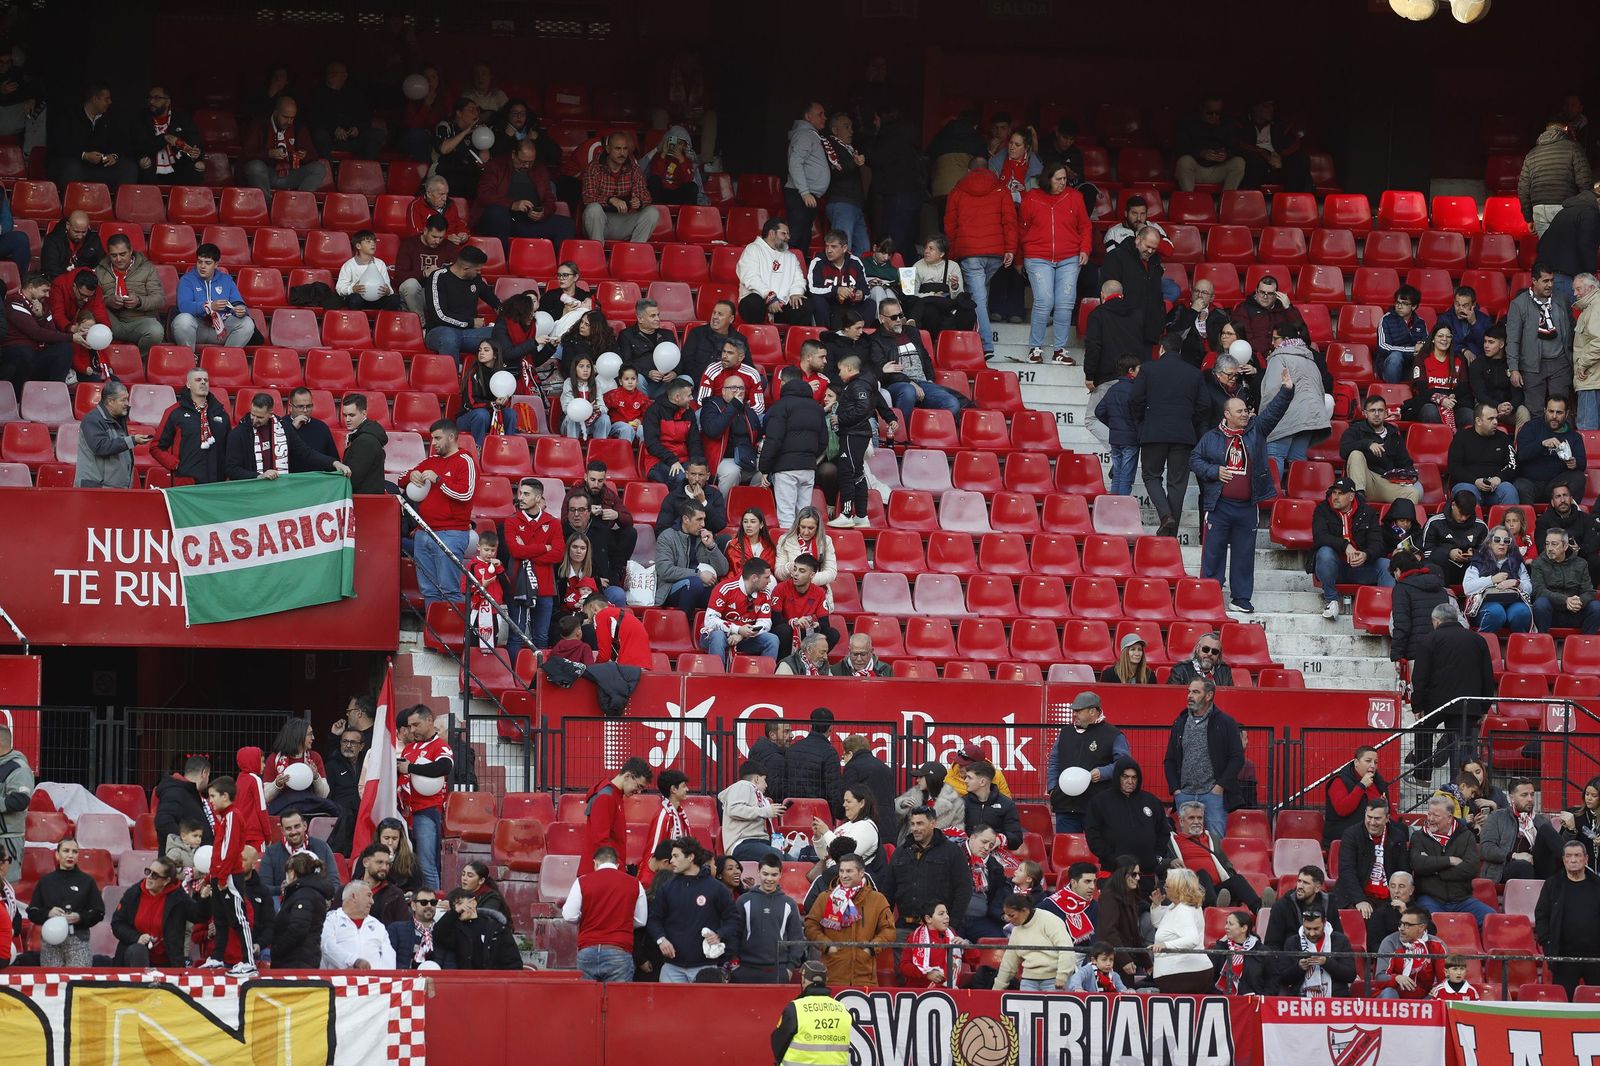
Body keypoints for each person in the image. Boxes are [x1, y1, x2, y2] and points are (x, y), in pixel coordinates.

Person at [1189, 366, 1294, 613]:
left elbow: (1274, 412)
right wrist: (1214, 471)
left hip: (1247, 506)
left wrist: (1287, 390)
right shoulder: (1212, 436)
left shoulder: (1257, 429)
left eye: (1246, 410)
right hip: (1219, 505)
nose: (1245, 414)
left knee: (1244, 554)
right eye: (1240, 411)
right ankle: (1210, 597)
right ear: (1227, 414)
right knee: (1213, 554)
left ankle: (1241, 598)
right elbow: (1194, 460)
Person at [945, 158, 1020, 359]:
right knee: (980, 294)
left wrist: (951, 255)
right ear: (989, 169)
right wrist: (1010, 249)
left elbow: (950, 225)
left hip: (969, 252)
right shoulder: (1001, 189)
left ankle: (985, 344)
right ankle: (978, 334)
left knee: (978, 296)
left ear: (970, 170)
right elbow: (1010, 222)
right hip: (996, 253)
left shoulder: (958, 190)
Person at [1130, 337, 1204, 537]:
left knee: (1151, 476)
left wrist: (1142, 422)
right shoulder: (1194, 373)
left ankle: (1165, 516)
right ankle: (1170, 534)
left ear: (1161, 349)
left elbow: (1135, 399)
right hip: (1183, 434)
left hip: (1154, 432)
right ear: (1179, 350)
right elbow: (1203, 406)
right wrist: (1189, 422)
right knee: (1177, 484)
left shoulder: (1148, 369)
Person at [1019, 161, 1092, 364]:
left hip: (1069, 257)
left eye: (1065, 179)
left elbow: (1085, 226)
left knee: (1065, 303)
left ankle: (1060, 351)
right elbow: (1021, 230)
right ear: (1047, 179)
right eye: (1058, 179)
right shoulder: (1031, 197)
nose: (1062, 183)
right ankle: (1035, 348)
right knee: (1044, 301)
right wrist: (1019, 257)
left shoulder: (1075, 197)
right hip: (1037, 256)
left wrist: (1085, 249)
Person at [1408, 602, 1495, 773]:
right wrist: (1484, 706)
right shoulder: (1478, 640)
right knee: (1462, 747)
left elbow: (1419, 676)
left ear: (1436, 621)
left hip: (1434, 703)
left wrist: (1417, 705)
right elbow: (1487, 676)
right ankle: (1461, 783)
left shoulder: (1428, 639)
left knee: (1423, 732)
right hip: (1466, 704)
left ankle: (1422, 774)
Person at [403, 420, 478, 611]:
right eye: (432, 439)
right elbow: (402, 478)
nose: (434, 443)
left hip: (451, 533)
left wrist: (439, 480)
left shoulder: (465, 460)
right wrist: (412, 475)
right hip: (424, 532)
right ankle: (433, 629)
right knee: (429, 591)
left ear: (451, 437)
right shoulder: (431, 461)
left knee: (449, 591)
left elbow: (465, 494)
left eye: (437, 438)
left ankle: (453, 629)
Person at [1162, 678, 1245, 838]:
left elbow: (1237, 758)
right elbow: (1169, 759)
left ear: (1208, 695)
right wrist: (1176, 790)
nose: (1189, 696)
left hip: (1213, 795)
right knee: (1187, 843)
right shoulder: (1180, 722)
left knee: (1215, 842)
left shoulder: (1226, 722)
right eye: (1189, 691)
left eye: (1195, 692)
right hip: (1184, 794)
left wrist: (1219, 787)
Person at [648, 837, 737, 982]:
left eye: (676, 856)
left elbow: (733, 919)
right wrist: (661, 939)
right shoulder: (667, 888)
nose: (671, 860)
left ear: (690, 857)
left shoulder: (716, 888)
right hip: (672, 967)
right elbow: (654, 919)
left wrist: (719, 934)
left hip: (705, 968)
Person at [560, 844, 648, 982]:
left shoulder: (582, 881)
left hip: (588, 949)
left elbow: (569, 915)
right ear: (617, 864)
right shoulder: (634, 883)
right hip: (619, 951)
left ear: (595, 862)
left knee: (587, 995)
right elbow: (641, 921)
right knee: (617, 996)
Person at [1045, 692, 1130, 834]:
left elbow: (1124, 764)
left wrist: (1102, 773)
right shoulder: (1065, 732)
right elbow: (1054, 761)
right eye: (1074, 711)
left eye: (1078, 711)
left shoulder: (1113, 735)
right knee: (1066, 847)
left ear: (1092, 711)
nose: (1074, 714)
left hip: (1098, 807)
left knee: (1099, 847)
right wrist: (1053, 788)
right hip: (1065, 806)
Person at [882, 807, 972, 937]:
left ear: (932, 823)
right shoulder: (900, 852)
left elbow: (964, 890)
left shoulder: (952, 852)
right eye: (912, 824)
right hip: (904, 929)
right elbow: (888, 891)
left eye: (920, 823)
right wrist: (885, 925)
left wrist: (952, 926)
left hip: (939, 930)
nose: (915, 828)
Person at [1334, 800, 1413, 947]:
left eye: (1377, 818)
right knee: (1366, 918)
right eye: (1369, 817)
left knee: (1401, 918)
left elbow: (1403, 870)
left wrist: (1401, 898)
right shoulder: (1352, 834)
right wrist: (1359, 900)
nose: (1372, 822)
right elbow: (1346, 870)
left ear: (1387, 818)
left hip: (1388, 896)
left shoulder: (1398, 836)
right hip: (1360, 895)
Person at [475, 135, 574, 251]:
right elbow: (484, 195)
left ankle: (559, 261)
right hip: (503, 219)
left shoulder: (540, 170)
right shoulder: (497, 166)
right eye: (523, 162)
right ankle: (502, 257)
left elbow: (549, 200)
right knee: (497, 213)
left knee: (567, 224)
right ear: (514, 155)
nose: (527, 166)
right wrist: (512, 205)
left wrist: (543, 212)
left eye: (531, 162)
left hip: (528, 221)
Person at [1262, 327, 1332, 488]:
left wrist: (1265, 419)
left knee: (1274, 455)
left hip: (1286, 415)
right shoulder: (1309, 358)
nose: (1272, 343)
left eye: (1275, 338)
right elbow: (1320, 389)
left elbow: (1272, 391)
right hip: (1310, 417)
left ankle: (1271, 496)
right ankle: (1301, 496)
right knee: (1298, 458)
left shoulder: (1279, 357)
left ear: (1286, 339)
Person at [1311, 477, 1389, 620]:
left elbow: (1378, 543)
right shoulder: (1322, 509)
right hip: (1335, 568)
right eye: (1334, 493)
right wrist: (1345, 545)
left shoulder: (1367, 512)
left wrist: (1366, 555)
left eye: (1340, 493)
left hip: (1361, 567)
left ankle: (1387, 609)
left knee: (1386, 565)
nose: (1335, 497)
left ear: (1351, 496)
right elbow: (1319, 537)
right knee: (1324, 553)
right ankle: (1331, 601)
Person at [830, 355, 894, 528]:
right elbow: (874, 404)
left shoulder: (858, 385)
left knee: (847, 473)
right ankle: (861, 515)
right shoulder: (863, 383)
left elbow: (863, 408)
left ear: (849, 368)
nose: (839, 373)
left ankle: (846, 514)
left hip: (853, 434)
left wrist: (840, 419)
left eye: (840, 369)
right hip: (857, 433)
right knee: (858, 474)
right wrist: (890, 417)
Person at [1411, 794, 1495, 926]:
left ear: (1449, 818)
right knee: (1431, 923)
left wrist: (1438, 871)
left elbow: (1472, 868)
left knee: (1493, 919)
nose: (1430, 819)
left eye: (1436, 816)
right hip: (1430, 898)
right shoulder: (1418, 837)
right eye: (1429, 814)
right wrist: (1449, 861)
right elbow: (1418, 864)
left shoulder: (1466, 836)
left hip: (1462, 900)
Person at [225, 393, 346, 482]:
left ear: (270, 413)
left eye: (260, 417)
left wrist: (333, 462)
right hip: (252, 492)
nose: (255, 420)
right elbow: (231, 469)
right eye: (253, 415)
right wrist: (258, 476)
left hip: (279, 489)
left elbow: (305, 452)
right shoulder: (238, 434)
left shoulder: (283, 427)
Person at [1164, 800, 1262, 909]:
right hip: (1189, 890)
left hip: (1217, 890)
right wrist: (1169, 862)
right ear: (1181, 821)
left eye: (1200, 818)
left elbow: (1225, 863)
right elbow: (1159, 863)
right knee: (1202, 874)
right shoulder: (1171, 841)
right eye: (1191, 818)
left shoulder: (1212, 839)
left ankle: (1260, 909)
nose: (1196, 821)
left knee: (1237, 879)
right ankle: (1214, 908)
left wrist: (1230, 874)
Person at [761, 371, 827, 530]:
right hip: (808, 468)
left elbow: (773, 440)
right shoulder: (817, 408)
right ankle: (803, 546)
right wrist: (809, 456)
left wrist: (764, 468)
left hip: (786, 469)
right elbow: (823, 441)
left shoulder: (780, 406)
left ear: (784, 385)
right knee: (804, 518)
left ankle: (788, 546)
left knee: (786, 517)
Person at [1508, 265, 1575, 417]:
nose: (1550, 284)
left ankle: (1561, 434)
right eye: (1545, 281)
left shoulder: (1561, 298)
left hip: (1560, 363)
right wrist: (1514, 369)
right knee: (1535, 412)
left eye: (1552, 280)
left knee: (1559, 410)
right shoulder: (1518, 304)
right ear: (1534, 281)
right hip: (1532, 365)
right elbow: (1512, 340)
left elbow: (1572, 327)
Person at [396, 705, 451, 890]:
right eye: (410, 726)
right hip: (405, 813)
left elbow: (444, 767)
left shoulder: (440, 746)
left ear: (429, 721)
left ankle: (432, 903)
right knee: (406, 865)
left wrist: (411, 768)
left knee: (426, 866)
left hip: (426, 811)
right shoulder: (409, 748)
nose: (412, 730)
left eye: (416, 725)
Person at [1535, 839, 1600, 996]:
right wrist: (1547, 944)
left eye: (1577, 855)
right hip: (1563, 957)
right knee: (1564, 1001)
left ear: (1586, 859)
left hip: (1596, 957)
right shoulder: (1552, 885)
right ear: (1564, 860)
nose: (1573, 860)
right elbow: (1541, 915)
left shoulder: (1598, 885)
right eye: (1569, 856)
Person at [731, 855, 806, 983]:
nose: (769, 879)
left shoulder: (789, 904)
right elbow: (734, 934)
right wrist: (735, 964)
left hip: (779, 971)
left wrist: (789, 968)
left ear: (780, 875)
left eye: (774, 875)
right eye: (765, 874)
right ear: (758, 872)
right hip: (745, 969)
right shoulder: (743, 901)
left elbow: (797, 939)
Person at [27, 839, 103, 967]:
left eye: (74, 852)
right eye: (66, 851)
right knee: (52, 979)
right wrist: (48, 913)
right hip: (51, 943)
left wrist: (79, 917)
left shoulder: (87, 881)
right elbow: (32, 911)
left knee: (78, 978)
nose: (70, 855)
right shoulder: (46, 881)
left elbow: (99, 912)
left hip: (78, 941)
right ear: (57, 854)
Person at [1085, 759, 1169, 875]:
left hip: (1147, 870)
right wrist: (1111, 858)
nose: (1130, 781)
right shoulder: (1100, 801)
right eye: (1125, 777)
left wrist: (1156, 856)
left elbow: (1163, 832)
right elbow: (1093, 835)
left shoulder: (1152, 801)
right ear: (1117, 777)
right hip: (1114, 871)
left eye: (1134, 777)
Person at [50, 82, 135, 191]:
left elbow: (121, 142)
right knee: (72, 167)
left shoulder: (110, 118)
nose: (110, 102)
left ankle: (118, 201)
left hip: (100, 167)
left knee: (128, 168)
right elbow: (59, 145)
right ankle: (71, 200)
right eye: (106, 99)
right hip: (76, 164)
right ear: (95, 99)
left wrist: (114, 156)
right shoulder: (70, 116)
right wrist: (84, 155)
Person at [1341, 394, 1424, 505]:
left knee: (1413, 493)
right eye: (1372, 410)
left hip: (1385, 482)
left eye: (1380, 410)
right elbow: (1343, 450)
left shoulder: (1394, 434)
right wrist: (1367, 444)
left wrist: (1410, 476)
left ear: (1386, 413)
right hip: (1365, 481)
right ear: (1365, 413)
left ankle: (1397, 516)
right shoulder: (1355, 429)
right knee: (1356, 454)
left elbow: (1405, 462)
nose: (1376, 414)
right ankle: (1359, 499)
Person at [242, 95, 326, 203]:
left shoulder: (298, 126)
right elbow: (246, 154)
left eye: (292, 118)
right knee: (255, 167)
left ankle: (296, 204)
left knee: (319, 169)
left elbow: (313, 155)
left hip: (290, 173)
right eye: (285, 117)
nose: (289, 122)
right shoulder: (260, 125)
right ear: (276, 113)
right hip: (267, 174)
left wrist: (305, 155)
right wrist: (268, 154)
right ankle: (266, 205)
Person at [171, 243, 255, 351]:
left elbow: (238, 303)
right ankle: (189, 357)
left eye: (208, 263)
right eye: (199, 262)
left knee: (247, 323)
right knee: (183, 320)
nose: (202, 266)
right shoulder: (187, 280)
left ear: (216, 264)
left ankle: (226, 358)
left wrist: (241, 310)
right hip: (197, 329)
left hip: (220, 330)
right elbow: (184, 306)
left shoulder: (226, 280)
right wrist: (209, 306)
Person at [580, 132, 659, 244]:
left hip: (623, 221)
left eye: (625, 149)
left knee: (652, 212)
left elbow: (646, 197)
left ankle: (633, 250)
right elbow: (588, 198)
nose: (622, 153)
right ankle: (597, 251)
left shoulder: (633, 168)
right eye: (617, 149)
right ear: (608, 149)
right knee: (593, 209)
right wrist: (610, 199)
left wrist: (639, 201)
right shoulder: (594, 167)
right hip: (599, 223)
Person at [771, 959, 854, 1064]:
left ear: (803, 980)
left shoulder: (795, 1008)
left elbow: (778, 1043)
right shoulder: (843, 1010)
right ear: (826, 981)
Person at [1481, 777, 1562, 883]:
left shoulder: (1540, 820)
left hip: (1538, 866)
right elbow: (1486, 849)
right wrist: (1515, 856)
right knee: (1523, 866)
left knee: (1546, 829)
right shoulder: (1497, 817)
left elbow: (1555, 847)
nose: (1530, 799)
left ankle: (1574, 862)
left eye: (1532, 794)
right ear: (1511, 798)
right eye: (1524, 795)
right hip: (1507, 867)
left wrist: (1570, 831)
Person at [1520, 118, 1593, 236]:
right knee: (1568, 246)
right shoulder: (1573, 148)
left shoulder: (1531, 154)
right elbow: (1584, 181)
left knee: (1547, 247)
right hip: (1565, 207)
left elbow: (1523, 188)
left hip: (1539, 210)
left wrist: (1529, 218)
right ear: (1566, 129)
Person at [424, 245, 500, 357]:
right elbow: (439, 315)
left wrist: (501, 309)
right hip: (440, 331)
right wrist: (471, 322)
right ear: (465, 268)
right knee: (449, 337)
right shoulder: (438, 277)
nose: (479, 273)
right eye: (477, 270)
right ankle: (452, 369)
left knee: (502, 333)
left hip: (469, 333)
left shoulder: (475, 278)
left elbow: (490, 297)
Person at [95, 233, 166, 353]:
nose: (118, 259)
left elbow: (159, 299)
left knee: (155, 331)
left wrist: (139, 301)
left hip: (139, 320)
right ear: (108, 254)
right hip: (111, 321)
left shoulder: (147, 268)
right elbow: (92, 300)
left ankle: (138, 359)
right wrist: (108, 301)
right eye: (113, 255)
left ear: (131, 251)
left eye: (122, 254)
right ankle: (99, 359)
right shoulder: (100, 270)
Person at [1516, 396, 1588, 508]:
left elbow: (1582, 463)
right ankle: (1529, 519)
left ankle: (1562, 516)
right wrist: (1542, 444)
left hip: (1556, 486)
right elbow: (1521, 455)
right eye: (1551, 411)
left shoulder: (1574, 436)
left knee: (1579, 477)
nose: (1554, 416)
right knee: (1520, 485)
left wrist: (1575, 463)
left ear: (1567, 414)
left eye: (1559, 412)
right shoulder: (1530, 427)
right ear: (1545, 411)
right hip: (1530, 482)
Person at [1150, 868, 1212, 993]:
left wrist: (1165, 945)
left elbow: (1192, 939)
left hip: (1184, 974)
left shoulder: (1184, 910)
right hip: (1183, 971)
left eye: (1167, 886)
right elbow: (1159, 924)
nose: (1164, 888)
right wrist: (1156, 905)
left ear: (1177, 888)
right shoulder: (1177, 906)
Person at [73, 380, 145, 489]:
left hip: (112, 488)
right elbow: (101, 447)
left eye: (127, 399)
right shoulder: (92, 420)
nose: (127, 403)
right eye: (123, 400)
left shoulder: (118, 418)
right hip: (96, 489)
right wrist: (132, 440)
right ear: (110, 401)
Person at [1463, 525, 1534, 634]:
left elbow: (1529, 588)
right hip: (1485, 603)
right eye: (1497, 540)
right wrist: (1491, 580)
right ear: (1489, 542)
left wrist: (1516, 583)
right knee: (1496, 612)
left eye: (1506, 540)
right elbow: (1468, 588)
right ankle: (1484, 642)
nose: (1502, 543)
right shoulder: (1478, 560)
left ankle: (1518, 642)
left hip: (1513, 602)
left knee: (1522, 612)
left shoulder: (1517, 562)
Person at [1274, 907, 1355, 998]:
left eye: (1316, 929)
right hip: (1301, 998)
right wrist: (1299, 968)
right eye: (1308, 928)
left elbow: (1350, 975)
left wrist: (1327, 962)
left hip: (1335, 998)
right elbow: (1282, 978)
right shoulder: (1292, 942)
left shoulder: (1340, 940)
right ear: (1303, 923)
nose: (1312, 933)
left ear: (1324, 922)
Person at [273, 853, 336, 969]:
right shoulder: (308, 892)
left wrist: (278, 948)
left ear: (292, 872)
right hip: (303, 959)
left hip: (295, 962)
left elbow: (298, 928)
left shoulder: (304, 895)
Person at [583, 756, 653, 860]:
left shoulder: (615, 795)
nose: (638, 791)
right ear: (628, 776)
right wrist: (615, 867)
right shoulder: (606, 797)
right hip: (603, 867)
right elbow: (601, 842)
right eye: (639, 786)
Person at [260, 810, 340, 900]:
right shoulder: (271, 852)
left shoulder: (322, 847)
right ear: (282, 831)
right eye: (288, 828)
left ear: (305, 826)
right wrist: (281, 889)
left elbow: (334, 882)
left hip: (317, 901)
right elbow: (263, 887)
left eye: (297, 826)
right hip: (284, 903)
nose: (293, 832)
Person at [643, 377, 706, 491]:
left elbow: (694, 442)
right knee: (681, 479)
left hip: (683, 461)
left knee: (700, 478)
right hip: (658, 461)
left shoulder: (689, 412)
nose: (692, 398)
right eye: (689, 396)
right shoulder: (654, 411)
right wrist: (672, 460)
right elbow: (652, 444)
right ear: (677, 397)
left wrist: (696, 464)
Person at [1532, 528, 1600, 633]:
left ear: (1565, 546)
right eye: (1547, 544)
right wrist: (1565, 600)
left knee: (1596, 607)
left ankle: (1585, 641)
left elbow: (1589, 592)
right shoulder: (1538, 564)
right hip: (1551, 613)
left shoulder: (1581, 564)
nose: (1549, 548)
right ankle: (1543, 639)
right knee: (1541, 603)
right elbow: (1538, 591)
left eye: (1554, 544)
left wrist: (1579, 601)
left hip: (1575, 611)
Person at [136, 85, 206, 186]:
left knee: (199, 165)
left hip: (178, 164)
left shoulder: (182, 118)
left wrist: (196, 152)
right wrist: (165, 138)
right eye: (150, 98)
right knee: (143, 162)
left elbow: (195, 143)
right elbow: (140, 147)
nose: (151, 101)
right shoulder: (141, 118)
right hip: (152, 163)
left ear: (168, 101)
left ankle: (188, 196)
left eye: (157, 98)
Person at [320, 881, 396, 969]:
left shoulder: (378, 925)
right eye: (369, 896)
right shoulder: (331, 920)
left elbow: (389, 956)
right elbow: (327, 946)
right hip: (339, 977)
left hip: (373, 977)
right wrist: (353, 962)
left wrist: (385, 976)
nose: (372, 901)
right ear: (354, 896)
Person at [1095, 355, 1143, 497]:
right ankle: (1122, 507)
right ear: (1131, 371)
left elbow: (1099, 411)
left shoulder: (1113, 389)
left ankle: (1113, 505)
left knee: (1117, 475)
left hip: (1115, 438)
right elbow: (1138, 415)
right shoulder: (1135, 390)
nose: (1140, 371)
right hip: (1130, 438)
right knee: (1126, 477)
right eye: (1138, 369)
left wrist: (1113, 424)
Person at [1175, 97, 1245, 191]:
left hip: (1219, 170)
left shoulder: (1227, 124)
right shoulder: (1189, 123)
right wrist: (1201, 153)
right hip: (1196, 169)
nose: (1214, 116)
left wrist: (1226, 154)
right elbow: (1181, 148)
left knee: (1239, 162)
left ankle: (1227, 198)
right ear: (1202, 109)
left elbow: (1236, 148)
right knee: (1184, 161)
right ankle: (1189, 198)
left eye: (1217, 113)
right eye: (1210, 113)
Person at [1324, 747, 1390, 845]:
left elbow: (1390, 810)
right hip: (1344, 837)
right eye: (1368, 761)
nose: (1373, 765)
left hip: (1374, 835)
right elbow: (1342, 809)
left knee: (1401, 831)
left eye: (1375, 762)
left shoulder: (1378, 782)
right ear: (1356, 762)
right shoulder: (1339, 781)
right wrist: (1361, 786)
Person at [1232, 273, 1306, 358]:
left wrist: (1288, 308)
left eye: (1270, 293)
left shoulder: (1283, 308)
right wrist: (1266, 353)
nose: (1265, 296)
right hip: (1253, 356)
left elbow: (1301, 332)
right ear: (1256, 291)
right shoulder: (1244, 308)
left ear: (1276, 295)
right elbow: (1243, 337)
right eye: (1262, 292)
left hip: (1283, 355)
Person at [806, 228, 868, 329]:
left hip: (850, 305)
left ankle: (859, 333)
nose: (829, 250)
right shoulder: (818, 262)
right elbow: (812, 289)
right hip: (829, 304)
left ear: (844, 248)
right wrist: (837, 290)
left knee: (870, 304)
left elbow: (866, 288)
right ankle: (824, 334)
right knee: (817, 301)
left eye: (833, 247)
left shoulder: (855, 262)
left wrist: (861, 294)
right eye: (827, 246)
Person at [1265, 866, 1332, 948]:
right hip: (1291, 954)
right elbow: (1272, 945)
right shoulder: (1281, 907)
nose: (1300, 886)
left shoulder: (1329, 904)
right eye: (1299, 881)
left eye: (1306, 883)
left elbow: (1337, 938)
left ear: (1317, 888)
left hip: (1325, 953)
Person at [1377, 285, 1430, 385]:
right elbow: (1383, 347)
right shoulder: (1386, 320)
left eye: (1404, 303)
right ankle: (1392, 390)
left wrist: (1422, 347)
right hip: (1389, 368)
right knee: (1396, 356)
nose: (1399, 306)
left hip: (1412, 367)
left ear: (1414, 306)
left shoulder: (1420, 323)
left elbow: (1427, 344)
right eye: (1397, 302)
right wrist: (1413, 350)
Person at [1210, 911, 1270, 994]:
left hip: (1254, 999)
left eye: (1231, 924)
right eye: (1226, 923)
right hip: (1224, 999)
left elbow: (1272, 978)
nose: (1226, 927)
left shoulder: (1261, 951)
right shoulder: (1221, 947)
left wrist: (1264, 997)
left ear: (1244, 928)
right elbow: (1209, 975)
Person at [340, 393, 388, 495]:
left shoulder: (365, 441)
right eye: (345, 415)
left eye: (352, 415)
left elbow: (353, 478)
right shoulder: (364, 435)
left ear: (364, 414)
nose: (347, 419)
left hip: (363, 500)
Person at [1168, 632, 1236, 687]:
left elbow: (1229, 696)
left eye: (1215, 651)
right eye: (1205, 649)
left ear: (1218, 655)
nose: (1209, 654)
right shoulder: (1180, 670)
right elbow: (1173, 697)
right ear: (1197, 649)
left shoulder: (1225, 671)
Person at [1576, 274, 1600, 431]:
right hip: (1594, 378)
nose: (1575, 293)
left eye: (1578, 289)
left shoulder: (1595, 308)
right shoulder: (1592, 307)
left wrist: (1582, 364)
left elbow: (1599, 340)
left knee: (1587, 431)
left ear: (1591, 288)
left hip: (1591, 378)